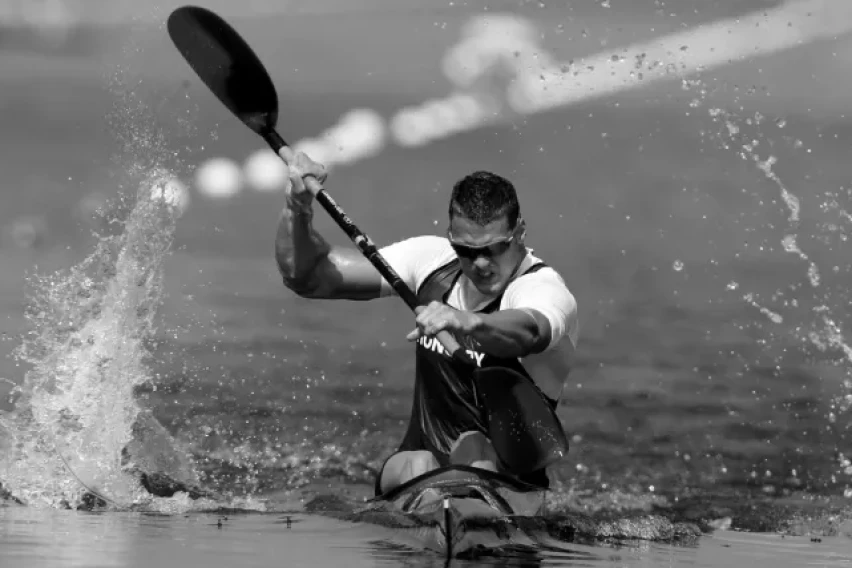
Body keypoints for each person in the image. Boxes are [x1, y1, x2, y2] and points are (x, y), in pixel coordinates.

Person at [274, 148, 579, 496]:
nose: (480, 264)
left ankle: (462, 493)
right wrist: (297, 206)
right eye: (466, 250)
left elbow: (530, 330)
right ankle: (440, 495)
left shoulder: (542, 289)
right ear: (451, 237)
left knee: (477, 453)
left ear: (520, 232)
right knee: (419, 463)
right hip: (417, 473)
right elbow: (308, 277)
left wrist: (468, 321)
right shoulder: (431, 260)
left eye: (493, 249)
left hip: (507, 485)